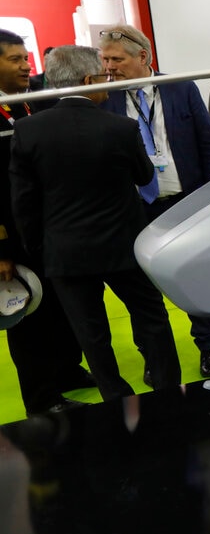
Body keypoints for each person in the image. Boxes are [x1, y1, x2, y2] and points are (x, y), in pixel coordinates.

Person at [9, 45, 181, 400]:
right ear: (89, 80)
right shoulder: (121, 127)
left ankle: (115, 398)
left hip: (65, 253)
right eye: (104, 75)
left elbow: (23, 202)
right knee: (152, 319)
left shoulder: (28, 130)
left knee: (91, 334)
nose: (109, 81)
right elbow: (144, 175)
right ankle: (167, 394)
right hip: (125, 246)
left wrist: (41, 249)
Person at [99, 24, 210, 379]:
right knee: (141, 289)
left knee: (192, 276)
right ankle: (153, 355)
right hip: (135, 208)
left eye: (117, 59)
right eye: (105, 59)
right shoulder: (106, 97)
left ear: (142, 56)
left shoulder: (180, 87)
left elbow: (209, 143)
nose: (109, 67)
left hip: (185, 202)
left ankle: (207, 345)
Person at [0, 30, 93, 413]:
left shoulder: (28, 105)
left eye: (26, 58)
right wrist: (2, 251)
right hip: (13, 236)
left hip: (48, 229)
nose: (27, 66)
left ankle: (67, 371)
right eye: (16, 59)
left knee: (59, 306)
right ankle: (41, 400)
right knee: (29, 318)